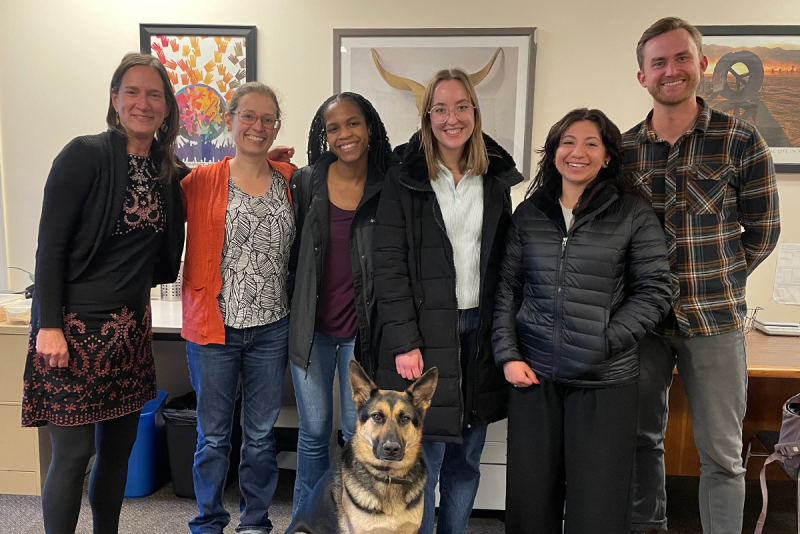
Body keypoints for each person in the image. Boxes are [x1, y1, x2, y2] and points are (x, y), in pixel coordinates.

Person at [623, 17, 781, 534]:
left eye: (681, 58)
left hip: (716, 323)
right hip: (643, 326)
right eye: (659, 62)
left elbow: (764, 228)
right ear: (642, 76)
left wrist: (724, 280)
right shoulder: (623, 152)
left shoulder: (741, 140)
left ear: (703, 65)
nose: (672, 71)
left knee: (722, 453)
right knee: (642, 441)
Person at [21, 52, 186, 534]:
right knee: (72, 457)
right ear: (114, 100)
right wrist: (48, 325)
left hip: (129, 333)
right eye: (132, 91)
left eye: (154, 94)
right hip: (71, 331)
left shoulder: (166, 171)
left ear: (166, 107)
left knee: (118, 455)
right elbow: (49, 247)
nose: (143, 102)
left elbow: (204, 189)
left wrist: (255, 162)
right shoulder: (84, 154)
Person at [493, 108, 672, 534]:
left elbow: (656, 291)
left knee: (597, 509)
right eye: (568, 142)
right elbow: (506, 290)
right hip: (534, 378)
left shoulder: (633, 213)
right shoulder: (530, 213)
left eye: (592, 143)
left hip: (604, 380)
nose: (578, 152)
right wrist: (507, 354)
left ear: (608, 156)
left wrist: (602, 342)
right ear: (553, 151)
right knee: (530, 505)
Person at [373, 68, 522, 534]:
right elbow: (388, 263)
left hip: (478, 334)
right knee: (422, 461)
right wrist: (404, 340)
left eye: (461, 107)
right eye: (440, 108)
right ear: (427, 116)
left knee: (467, 460)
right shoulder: (405, 178)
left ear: (474, 113)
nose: (450, 117)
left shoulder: (494, 179)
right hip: (423, 334)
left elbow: (503, 264)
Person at [180, 81, 296, 534]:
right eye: (248, 115)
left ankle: (254, 523)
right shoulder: (200, 180)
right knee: (212, 438)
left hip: (272, 327)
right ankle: (208, 522)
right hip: (214, 330)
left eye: (268, 119)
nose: (258, 126)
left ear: (276, 128)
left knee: (261, 437)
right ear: (229, 121)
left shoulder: (290, 180)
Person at [287, 92, 394, 516]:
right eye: (334, 127)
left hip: (362, 335)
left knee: (358, 434)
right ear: (324, 134)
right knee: (313, 434)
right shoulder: (306, 181)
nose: (344, 134)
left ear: (369, 128)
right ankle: (305, 523)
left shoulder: (390, 185)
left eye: (353, 124)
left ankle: (353, 522)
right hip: (310, 331)